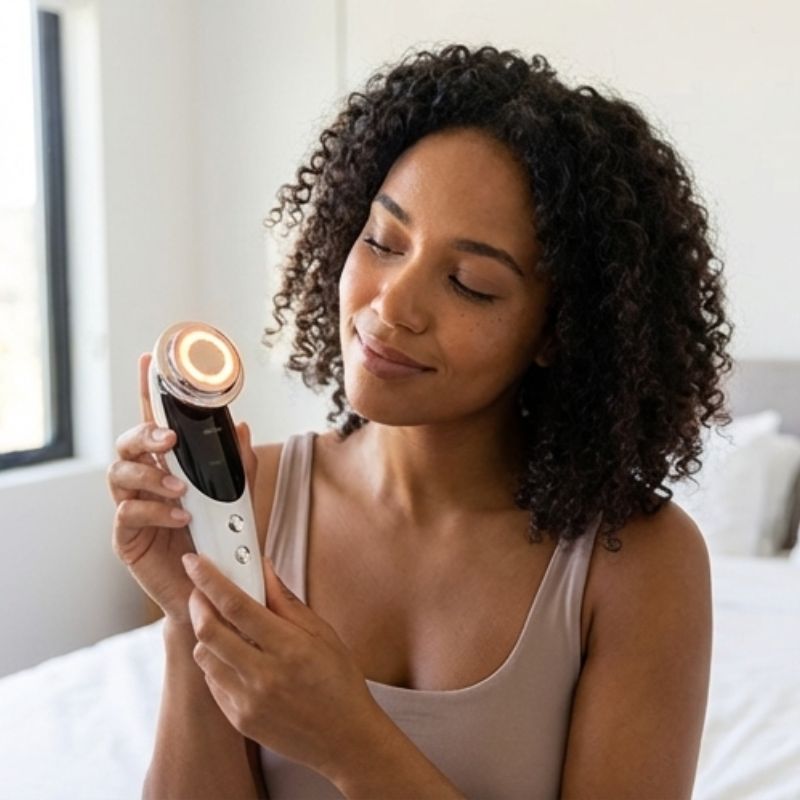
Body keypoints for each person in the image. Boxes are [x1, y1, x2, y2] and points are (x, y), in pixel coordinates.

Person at [107, 43, 730, 799]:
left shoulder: (636, 564)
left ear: (558, 332)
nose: (391, 306)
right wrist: (189, 619)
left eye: (470, 284)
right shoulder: (251, 499)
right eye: (382, 241)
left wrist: (351, 742)